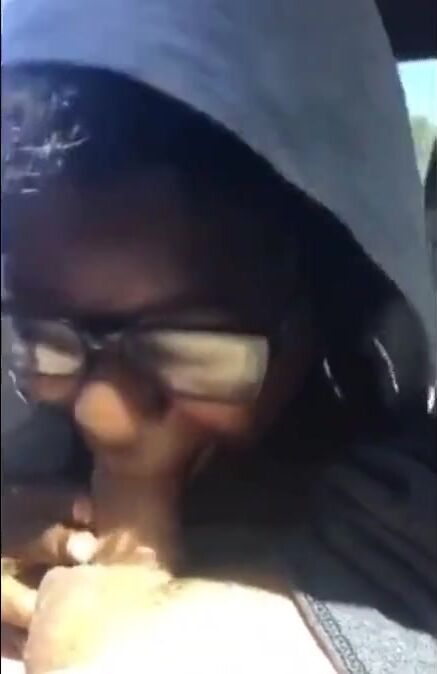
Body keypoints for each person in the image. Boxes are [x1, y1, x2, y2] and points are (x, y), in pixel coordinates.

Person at [1, 0, 436, 672]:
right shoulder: (35, 456)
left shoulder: (405, 519)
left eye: (187, 355)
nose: (101, 417)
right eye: (47, 341)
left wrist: (127, 617)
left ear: (327, 306)